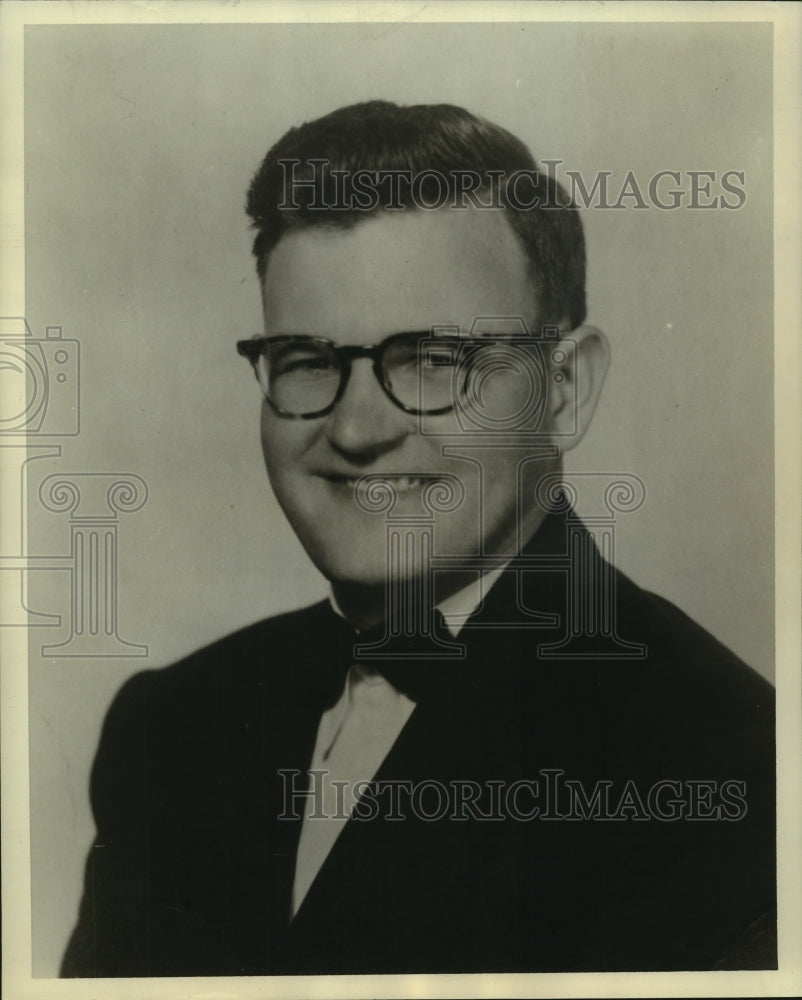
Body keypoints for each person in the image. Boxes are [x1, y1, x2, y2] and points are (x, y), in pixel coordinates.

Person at [61, 101, 775, 977]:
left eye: (432, 358)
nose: (358, 429)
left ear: (564, 391)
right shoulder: (171, 728)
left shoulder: (727, 759)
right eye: (309, 361)